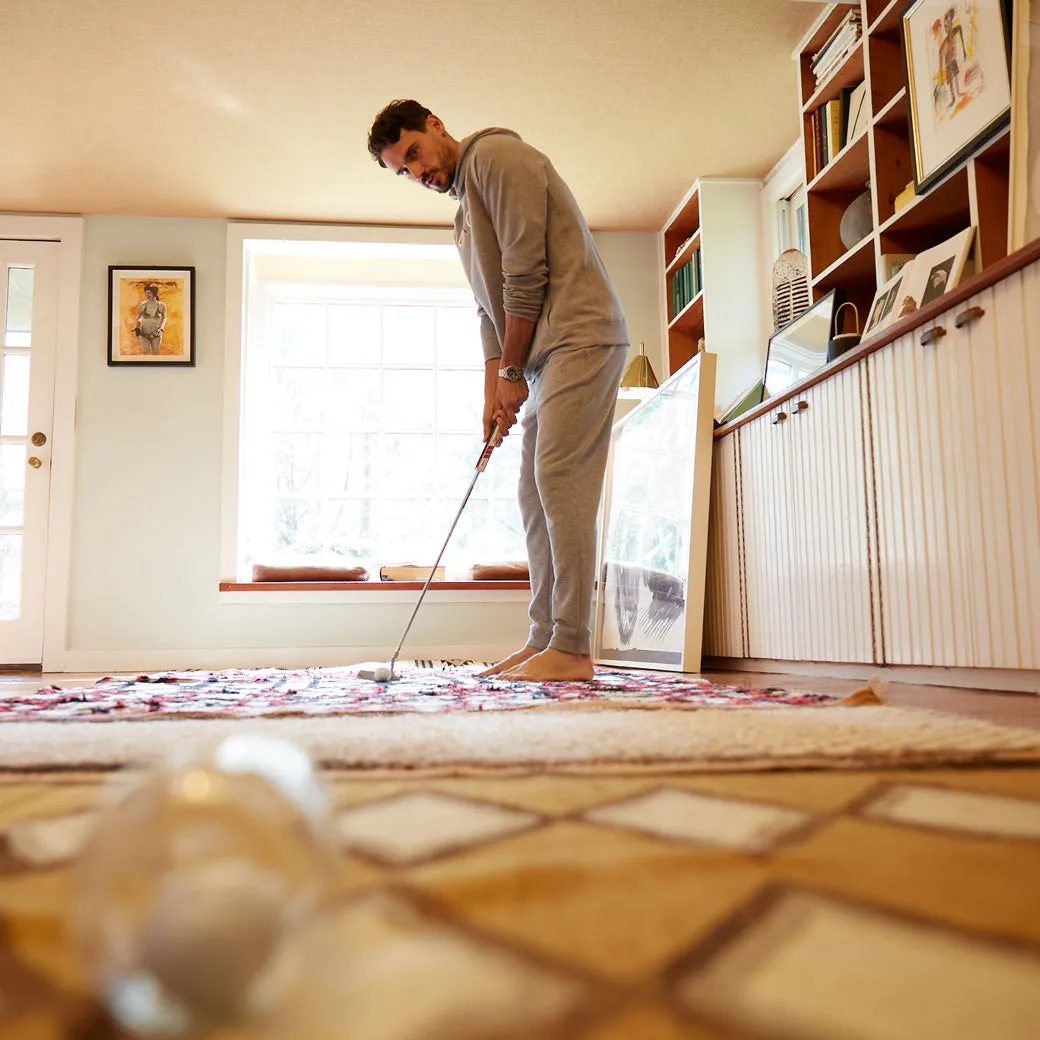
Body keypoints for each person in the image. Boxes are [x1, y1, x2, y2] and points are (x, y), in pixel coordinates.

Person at [367, 100, 629, 681]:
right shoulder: (463, 215)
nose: (416, 172)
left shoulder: (496, 156)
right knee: (533, 492)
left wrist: (511, 375)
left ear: (435, 125)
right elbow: (489, 311)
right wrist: (495, 391)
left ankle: (574, 647)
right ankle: (545, 640)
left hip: (580, 335)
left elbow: (524, 272)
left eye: (413, 153)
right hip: (542, 360)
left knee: (560, 480)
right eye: (402, 171)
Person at [133, 283, 167, 354]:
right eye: (145, 293)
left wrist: (161, 328)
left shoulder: (161, 305)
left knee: (155, 354)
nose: (146, 295)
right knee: (145, 355)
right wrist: (137, 327)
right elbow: (139, 317)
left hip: (156, 334)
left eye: (149, 293)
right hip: (143, 335)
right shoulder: (142, 304)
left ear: (154, 293)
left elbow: (164, 318)